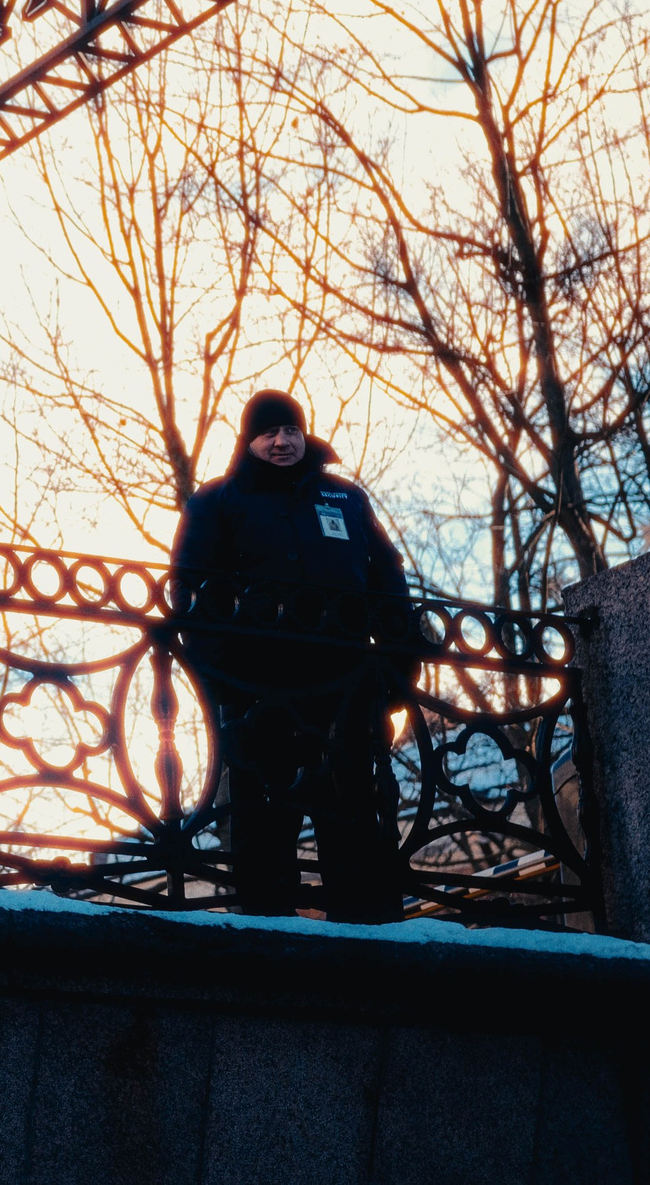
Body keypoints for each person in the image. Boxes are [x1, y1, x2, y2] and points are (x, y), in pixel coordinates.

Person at [169, 389, 413, 923]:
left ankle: (369, 943)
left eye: (291, 431)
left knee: (354, 825)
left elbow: (388, 581)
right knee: (263, 830)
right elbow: (191, 597)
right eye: (269, 433)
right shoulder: (216, 503)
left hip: (345, 690)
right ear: (249, 441)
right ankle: (268, 943)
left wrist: (397, 672)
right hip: (262, 696)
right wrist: (226, 682)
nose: (282, 442)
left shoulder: (346, 499)